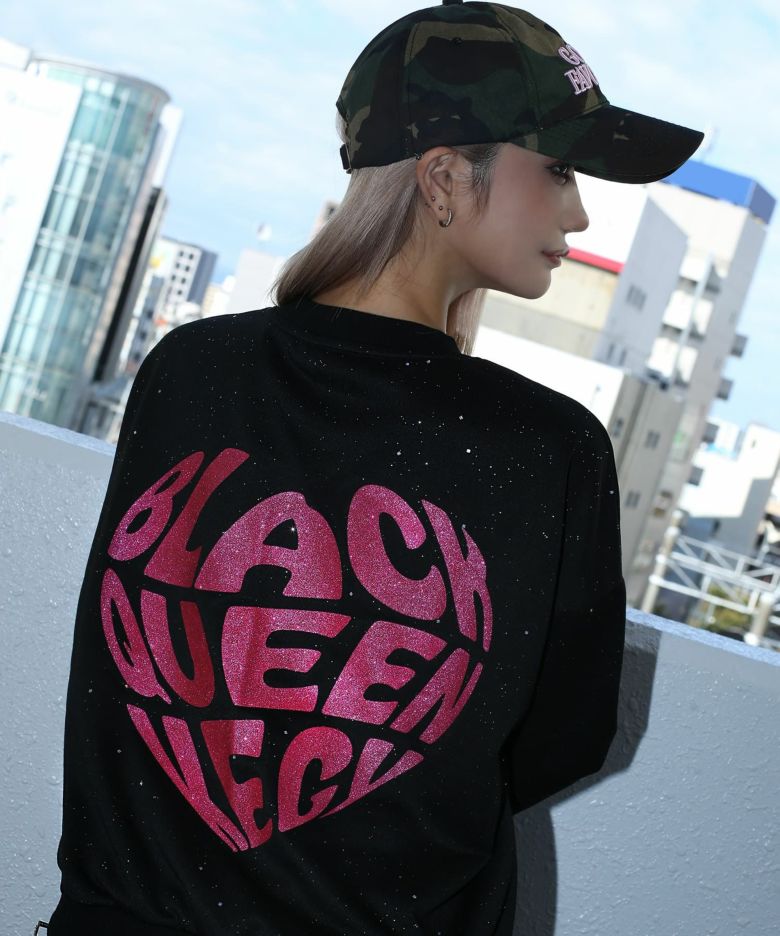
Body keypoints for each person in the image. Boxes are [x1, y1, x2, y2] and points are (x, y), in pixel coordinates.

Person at [42, 2, 703, 934]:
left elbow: (119, 671)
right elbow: (561, 735)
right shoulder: (546, 447)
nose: (580, 211)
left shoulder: (189, 369)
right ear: (444, 177)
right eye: (558, 169)